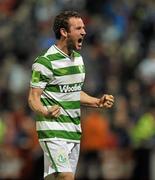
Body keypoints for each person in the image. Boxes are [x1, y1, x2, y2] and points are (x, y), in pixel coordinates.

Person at [28, 10, 114, 180]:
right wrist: (44, 111)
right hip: (53, 130)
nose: (84, 31)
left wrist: (97, 102)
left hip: (73, 131)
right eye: (78, 28)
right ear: (64, 32)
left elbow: (74, 92)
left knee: (57, 178)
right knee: (67, 177)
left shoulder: (79, 60)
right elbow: (33, 98)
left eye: (84, 27)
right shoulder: (45, 62)